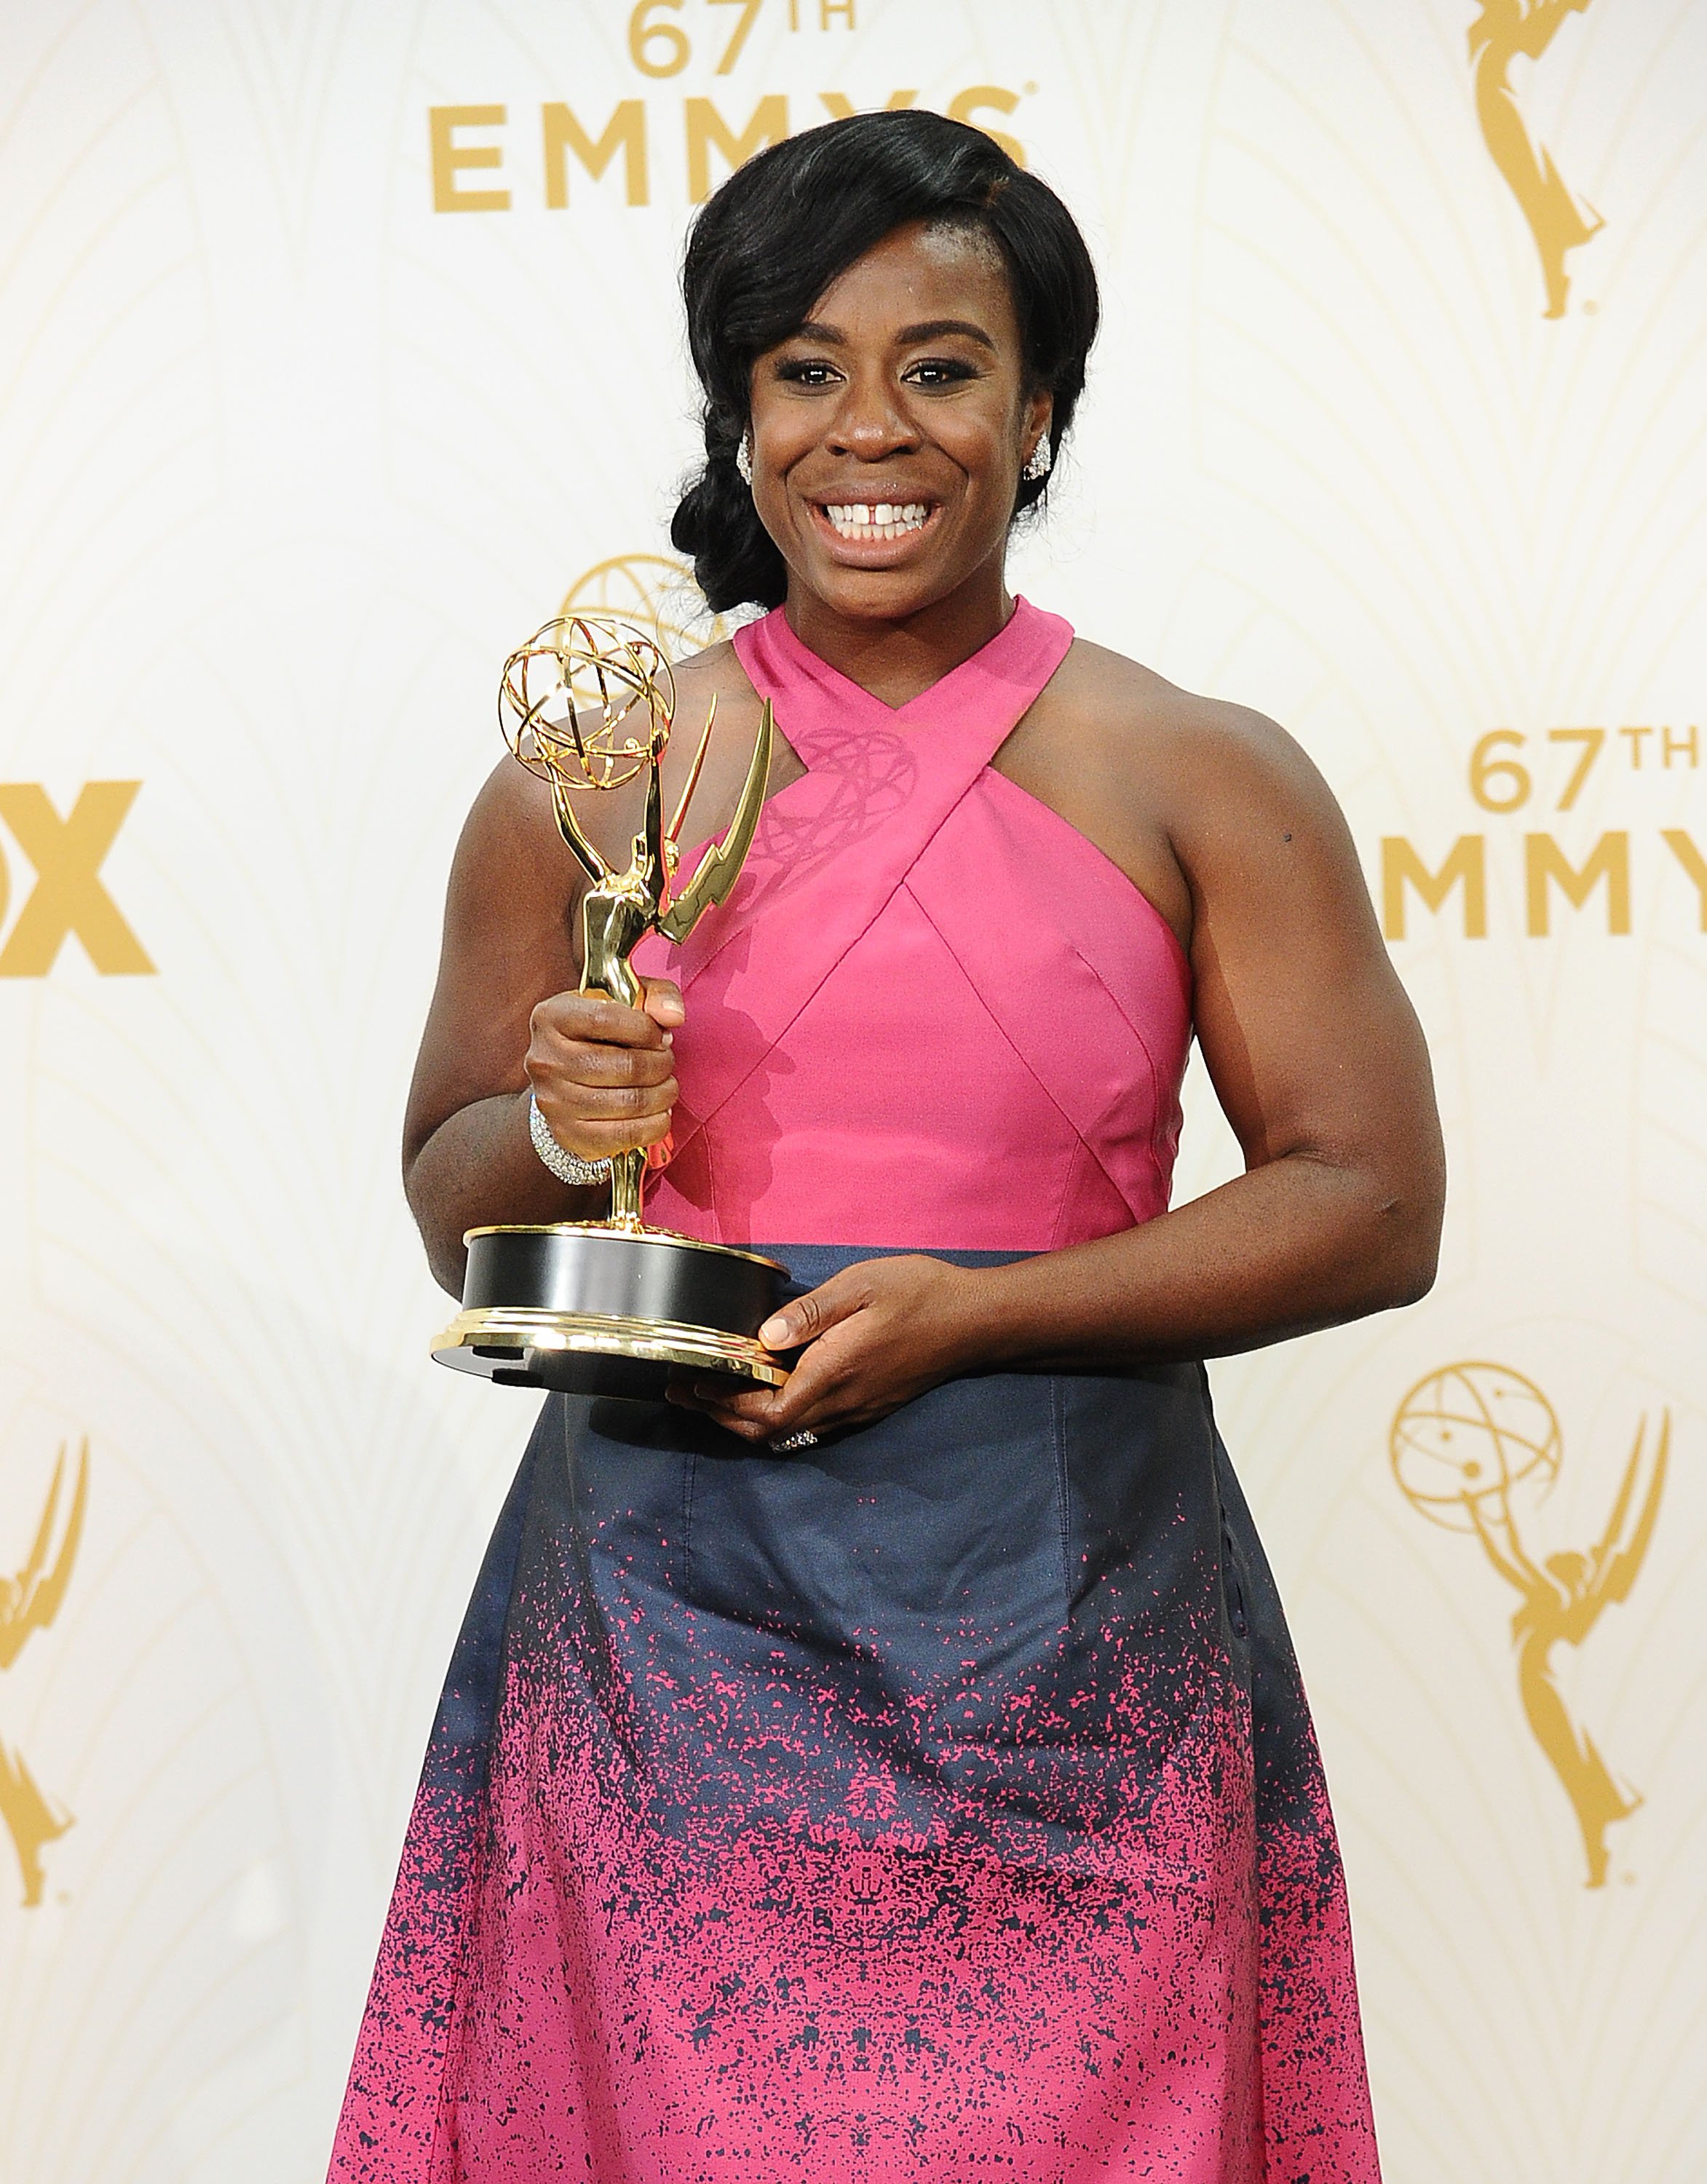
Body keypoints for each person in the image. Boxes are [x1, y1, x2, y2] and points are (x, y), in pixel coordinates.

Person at [330, 110, 1443, 2184]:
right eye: (803, 370)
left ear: (1037, 413)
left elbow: (1369, 1202)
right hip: (668, 1633)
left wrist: (973, 1317)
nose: (873, 430)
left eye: (939, 367)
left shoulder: (1197, 771)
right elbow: (446, 1205)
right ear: (738, 413)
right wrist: (554, 1124)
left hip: (1078, 1627)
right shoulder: (594, 775)